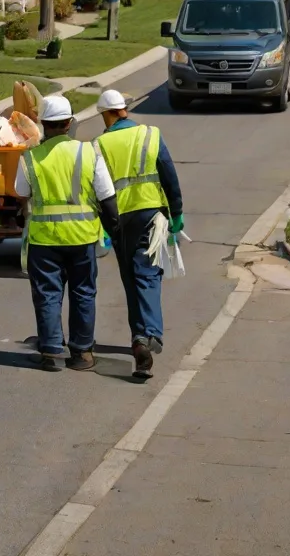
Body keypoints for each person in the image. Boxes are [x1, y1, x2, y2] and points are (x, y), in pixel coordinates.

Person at [15, 95, 119, 372]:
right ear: (70, 123)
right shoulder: (88, 152)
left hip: (44, 239)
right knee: (83, 292)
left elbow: (21, 192)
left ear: (43, 124)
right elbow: (107, 197)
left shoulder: (30, 157)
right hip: (82, 237)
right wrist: (115, 229)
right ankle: (82, 353)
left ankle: (50, 351)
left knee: (47, 293)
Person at [95, 89, 184, 380]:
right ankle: (150, 334)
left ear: (107, 114)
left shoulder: (99, 144)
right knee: (147, 274)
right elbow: (168, 174)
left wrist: (102, 227)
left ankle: (139, 340)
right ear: (124, 110)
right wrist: (176, 213)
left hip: (119, 220)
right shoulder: (150, 135)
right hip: (151, 215)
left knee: (130, 280)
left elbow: (97, 188)